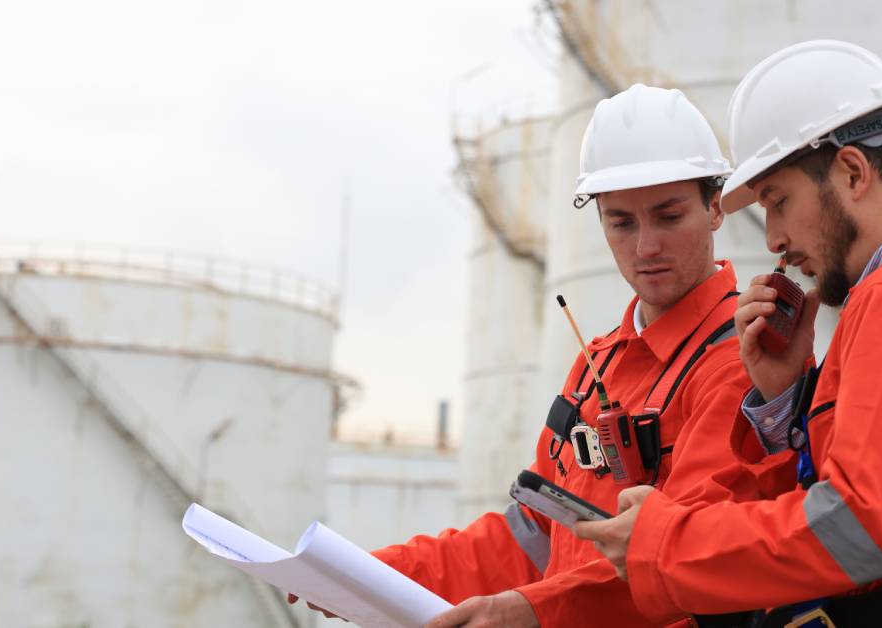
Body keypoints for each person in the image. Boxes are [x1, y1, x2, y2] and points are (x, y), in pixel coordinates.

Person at [574, 39, 882, 627]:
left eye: (778, 200)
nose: (772, 238)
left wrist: (667, 542)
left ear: (852, 171)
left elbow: (870, 525)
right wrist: (785, 398)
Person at [291, 83, 792, 627]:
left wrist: (531, 612)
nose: (645, 246)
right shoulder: (599, 363)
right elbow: (530, 536)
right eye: (621, 221)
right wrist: (370, 577)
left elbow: (689, 559)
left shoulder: (744, 362)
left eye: (668, 216)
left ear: (715, 208)